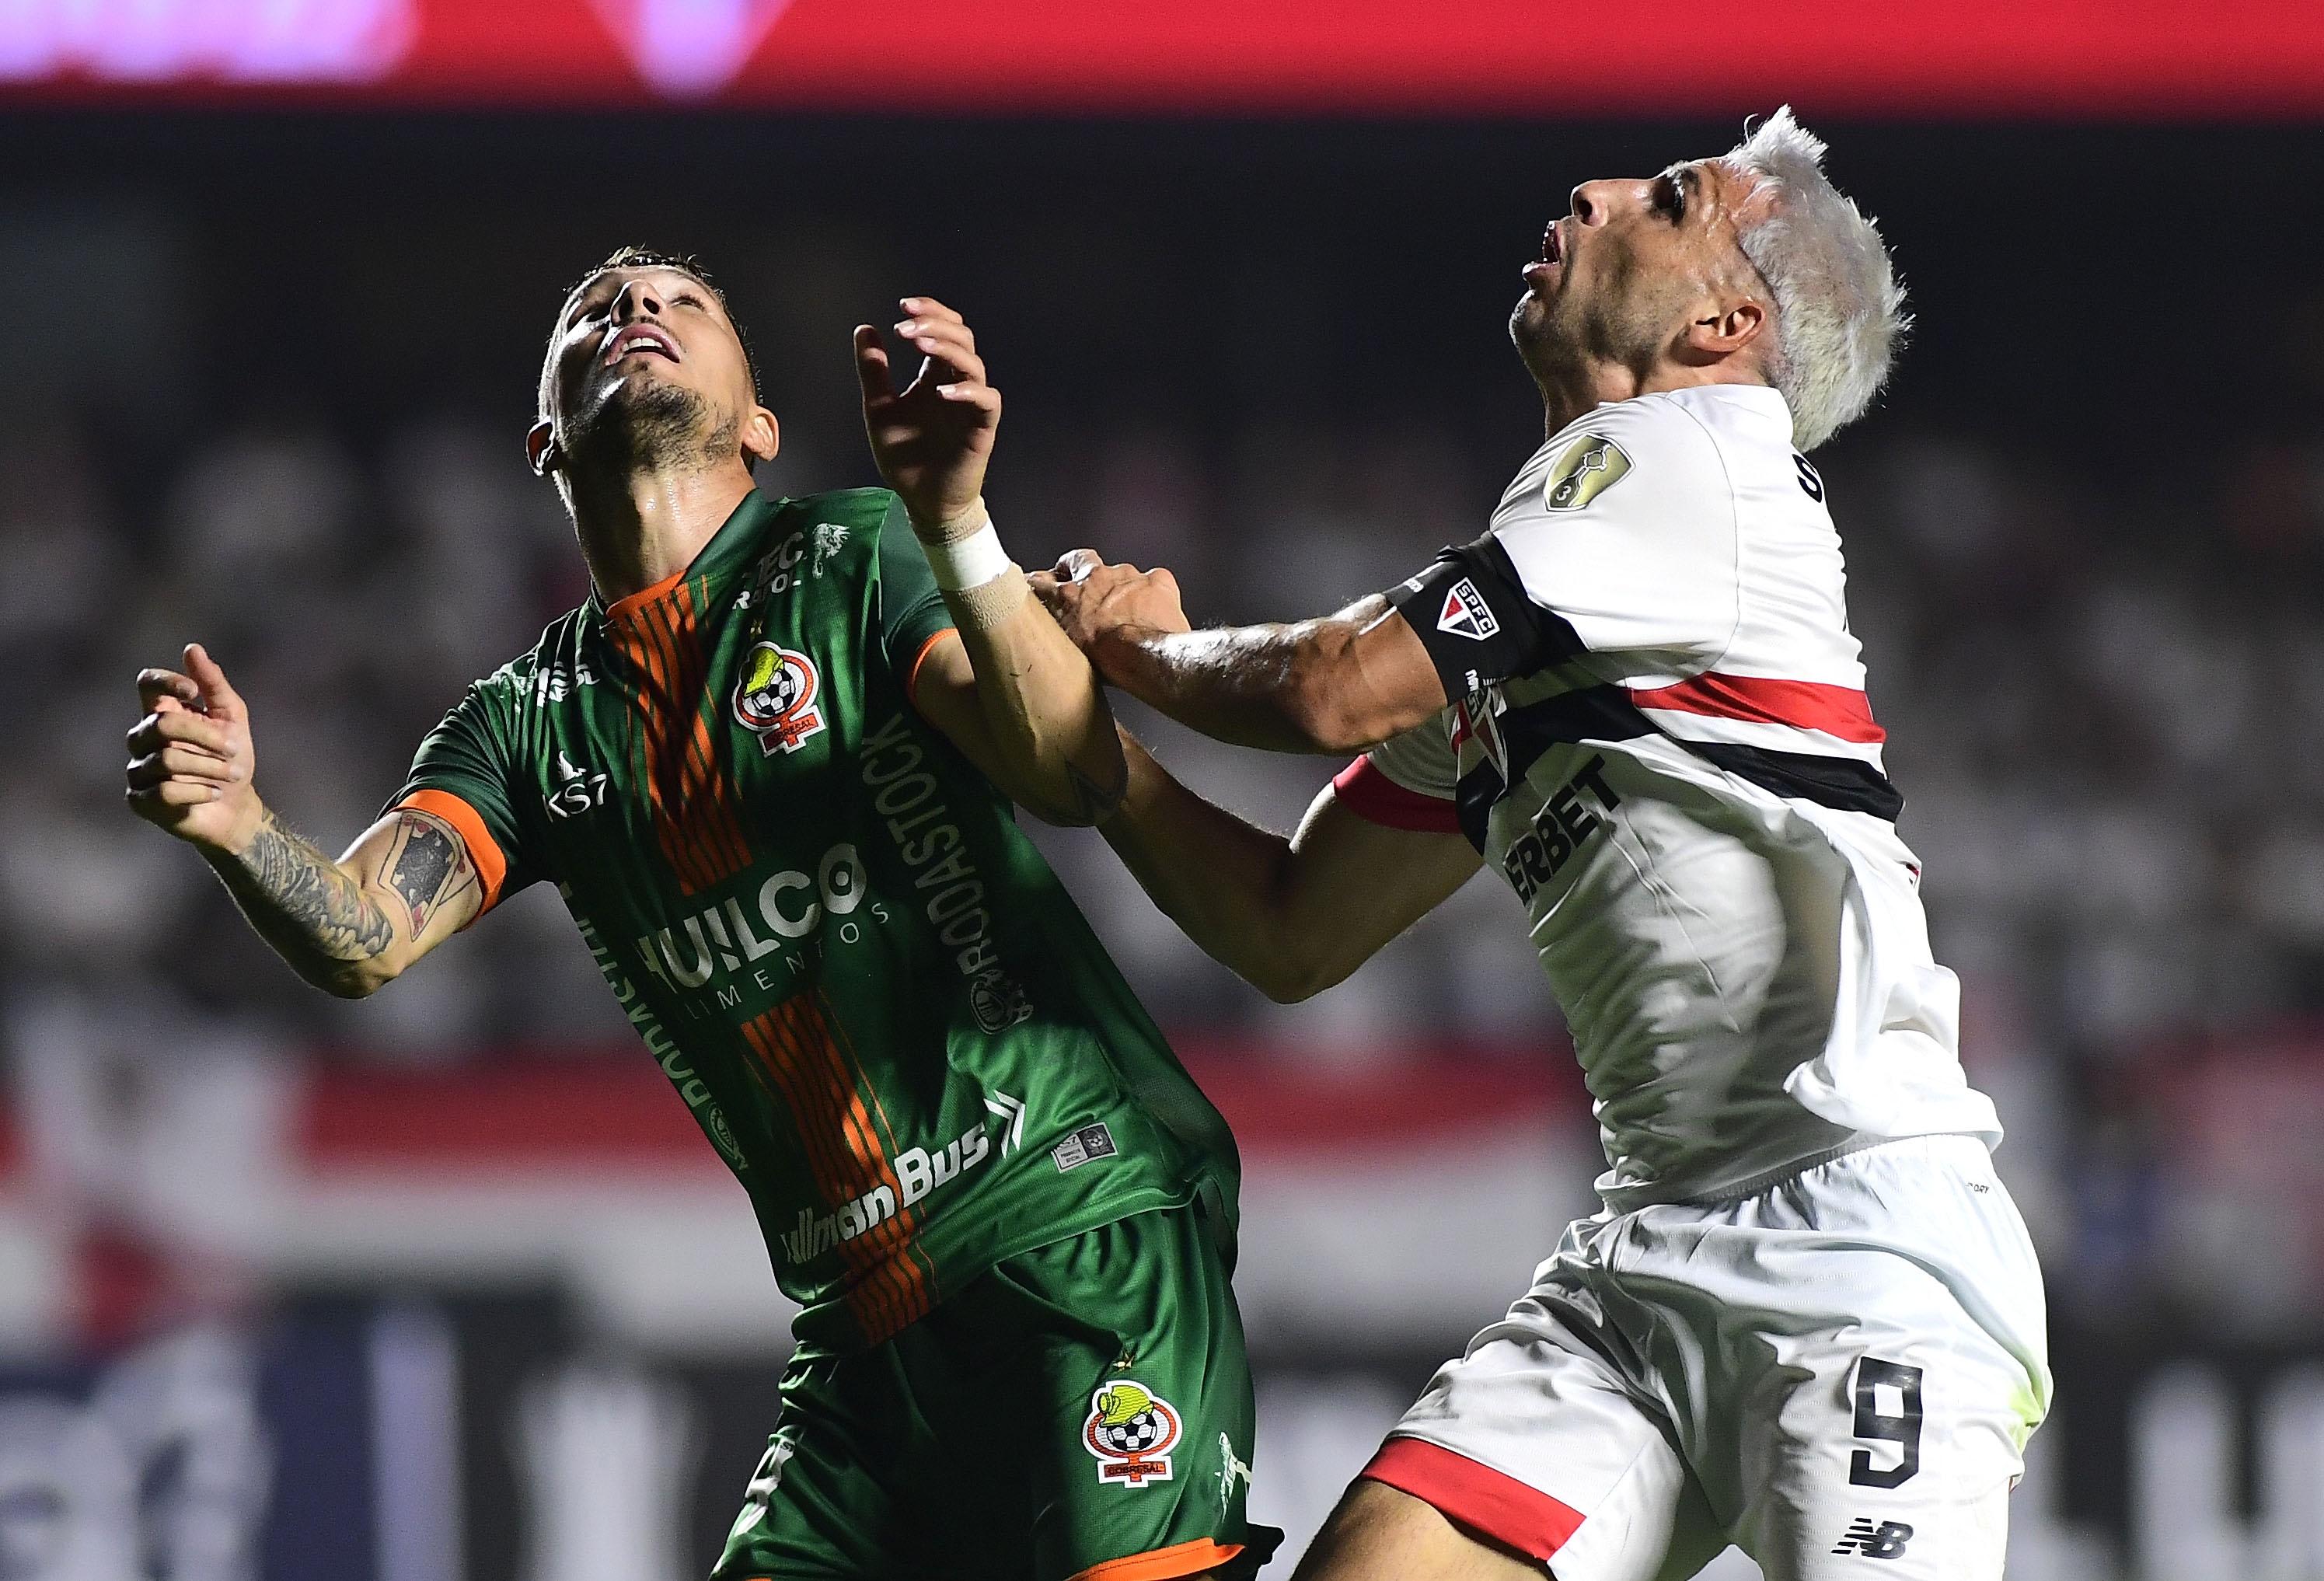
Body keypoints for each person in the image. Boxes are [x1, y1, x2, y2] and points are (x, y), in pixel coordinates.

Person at [124, 247, 1279, 1581]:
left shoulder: (858, 550)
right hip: (857, 1346)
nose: (633, 309)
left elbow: (1069, 777)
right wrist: (239, 828)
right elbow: (368, 934)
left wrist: (957, 517)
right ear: (543, 439)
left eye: (681, 302)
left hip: (1074, 1231)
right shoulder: (522, 722)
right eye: (593, 308)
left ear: (761, 423)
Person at [1035, 111, 2050, 1581]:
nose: (1595, 190)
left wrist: (1141, 649)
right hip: (1640, 1267)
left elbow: (1325, 685)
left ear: (1725, 318)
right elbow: (1292, 924)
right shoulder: (1574, 577)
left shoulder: (1691, 458)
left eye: (1670, 194)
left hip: (1861, 1256)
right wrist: (1102, 764)